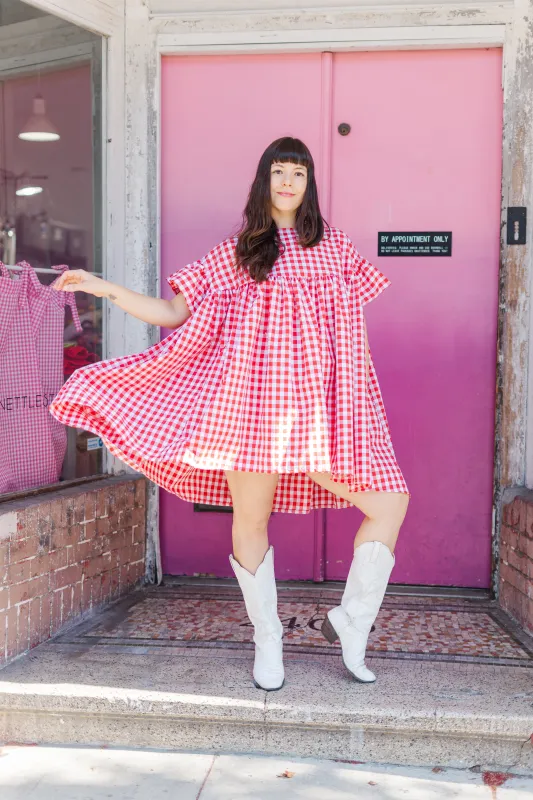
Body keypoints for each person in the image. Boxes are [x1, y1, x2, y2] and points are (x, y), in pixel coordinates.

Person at [50, 136, 410, 692]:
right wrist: (104, 288)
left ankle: (352, 621)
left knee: (390, 501)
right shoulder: (240, 251)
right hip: (252, 409)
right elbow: (172, 312)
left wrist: (353, 406)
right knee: (251, 519)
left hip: (313, 411)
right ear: (263, 179)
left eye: (298, 172)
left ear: (309, 183)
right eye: (278, 171)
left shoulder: (334, 249)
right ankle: (268, 638)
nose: (288, 181)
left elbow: (350, 339)